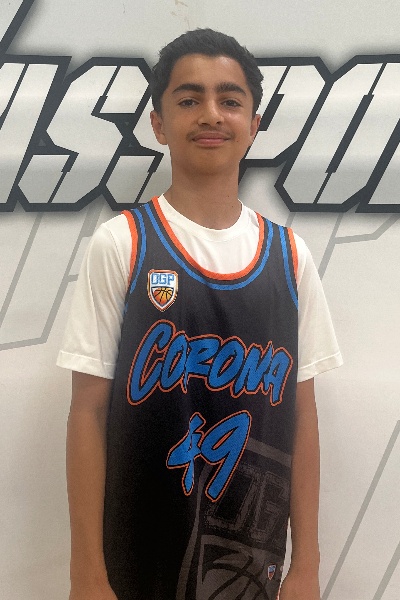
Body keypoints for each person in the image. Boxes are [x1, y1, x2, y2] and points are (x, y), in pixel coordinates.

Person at [58, 28, 343, 600]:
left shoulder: (290, 257)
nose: (211, 114)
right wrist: (86, 572)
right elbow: (87, 412)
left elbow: (302, 418)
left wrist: (307, 566)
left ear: (254, 123)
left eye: (229, 100)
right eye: (189, 99)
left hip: (250, 568)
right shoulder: (123, 243)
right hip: (135, 563)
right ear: (159, 124)